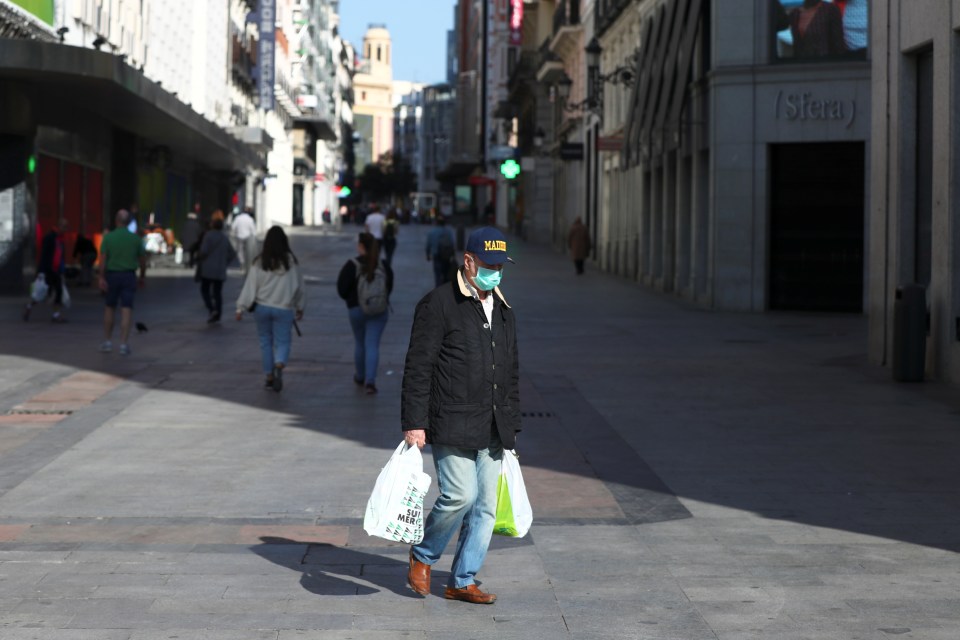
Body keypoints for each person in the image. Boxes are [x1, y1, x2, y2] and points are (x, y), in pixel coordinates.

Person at [403, 226, 521, 605]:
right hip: (452, 418)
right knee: (459, 496)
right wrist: (414, 422)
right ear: (468, 262)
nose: (496, 273)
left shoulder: (503, 309)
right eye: (489, 266)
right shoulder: (438, 304)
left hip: (493, 422)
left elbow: (510, 368)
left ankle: (462, 579)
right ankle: (423, 556)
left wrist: (513, 423)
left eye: (501, 266)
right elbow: (418, 366)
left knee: (486, 506)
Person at [236, 226, 306, 392]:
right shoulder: (291, 262)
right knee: (283, 341)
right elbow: (300, 287)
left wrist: (241, 308)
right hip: (284, 308)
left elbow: (250, 286)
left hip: (262, 308)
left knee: (265, 342)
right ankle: (279, 363)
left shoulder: (259, 262)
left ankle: (268, 376)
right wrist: (300, 306)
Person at [336, 232, 394, 395]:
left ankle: (360, 376)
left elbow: (341, 289)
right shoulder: (383, 265)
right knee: (372, 345)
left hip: (356, 310)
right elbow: (389, 286)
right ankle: (370, 382)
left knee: (360, 343)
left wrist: (352, 299)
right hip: (379, 311)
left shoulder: (352, 264)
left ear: (361, 246)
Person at [98, 209, 147, 355]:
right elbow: (143, 261)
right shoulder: (136, 239)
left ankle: (107, 341)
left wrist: (101, 277)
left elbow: (102, 259)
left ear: (116, 221)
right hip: (129, 276)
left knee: (109, 307)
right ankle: (124, 344)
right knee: (127, 309)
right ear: (128, 223)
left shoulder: (108, 238)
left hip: (112, 276)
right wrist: (142, 277)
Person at [24, 218, 69, 323]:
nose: (65, 229)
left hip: (55, 270)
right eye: (64, 226)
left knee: (57, 291)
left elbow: (60, 257)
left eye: (66, 227)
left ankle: (55, 314)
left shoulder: (60, 239)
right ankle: (30, 306)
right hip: (48, 270)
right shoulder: (50, 238)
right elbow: (44, 255)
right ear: (59, 226)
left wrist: (62, 270)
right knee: (41, 293)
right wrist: (41, 271)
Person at [197, 211, 237, 324]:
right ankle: (218, 313)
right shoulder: (224, 238)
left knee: (205, 290)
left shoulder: (208, 236)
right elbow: (233, 253)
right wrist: (225, 262)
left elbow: (204, 251)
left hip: (208, 270)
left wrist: (200, 257)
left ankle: (212, 309)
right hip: (220, 270)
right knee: (217, 292)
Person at [425, 214, 456, 287]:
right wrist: (453, 255)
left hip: (437, 255)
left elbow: (428, 245)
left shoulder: (432, 232)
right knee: (446, 274)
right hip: (446, 256)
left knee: (437, 275)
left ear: (436, 222)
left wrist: (428, 255)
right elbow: (452, 244)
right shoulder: (449, 232)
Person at [231, 207, 258, 275]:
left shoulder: (238, 218)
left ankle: (242, 264)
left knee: (240, 251)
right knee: (248, 251)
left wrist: (235, 233)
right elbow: (253, 230)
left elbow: (233, 227)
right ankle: (247, 264)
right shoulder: (250, 219)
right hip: (248, 237)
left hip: (239, 236)